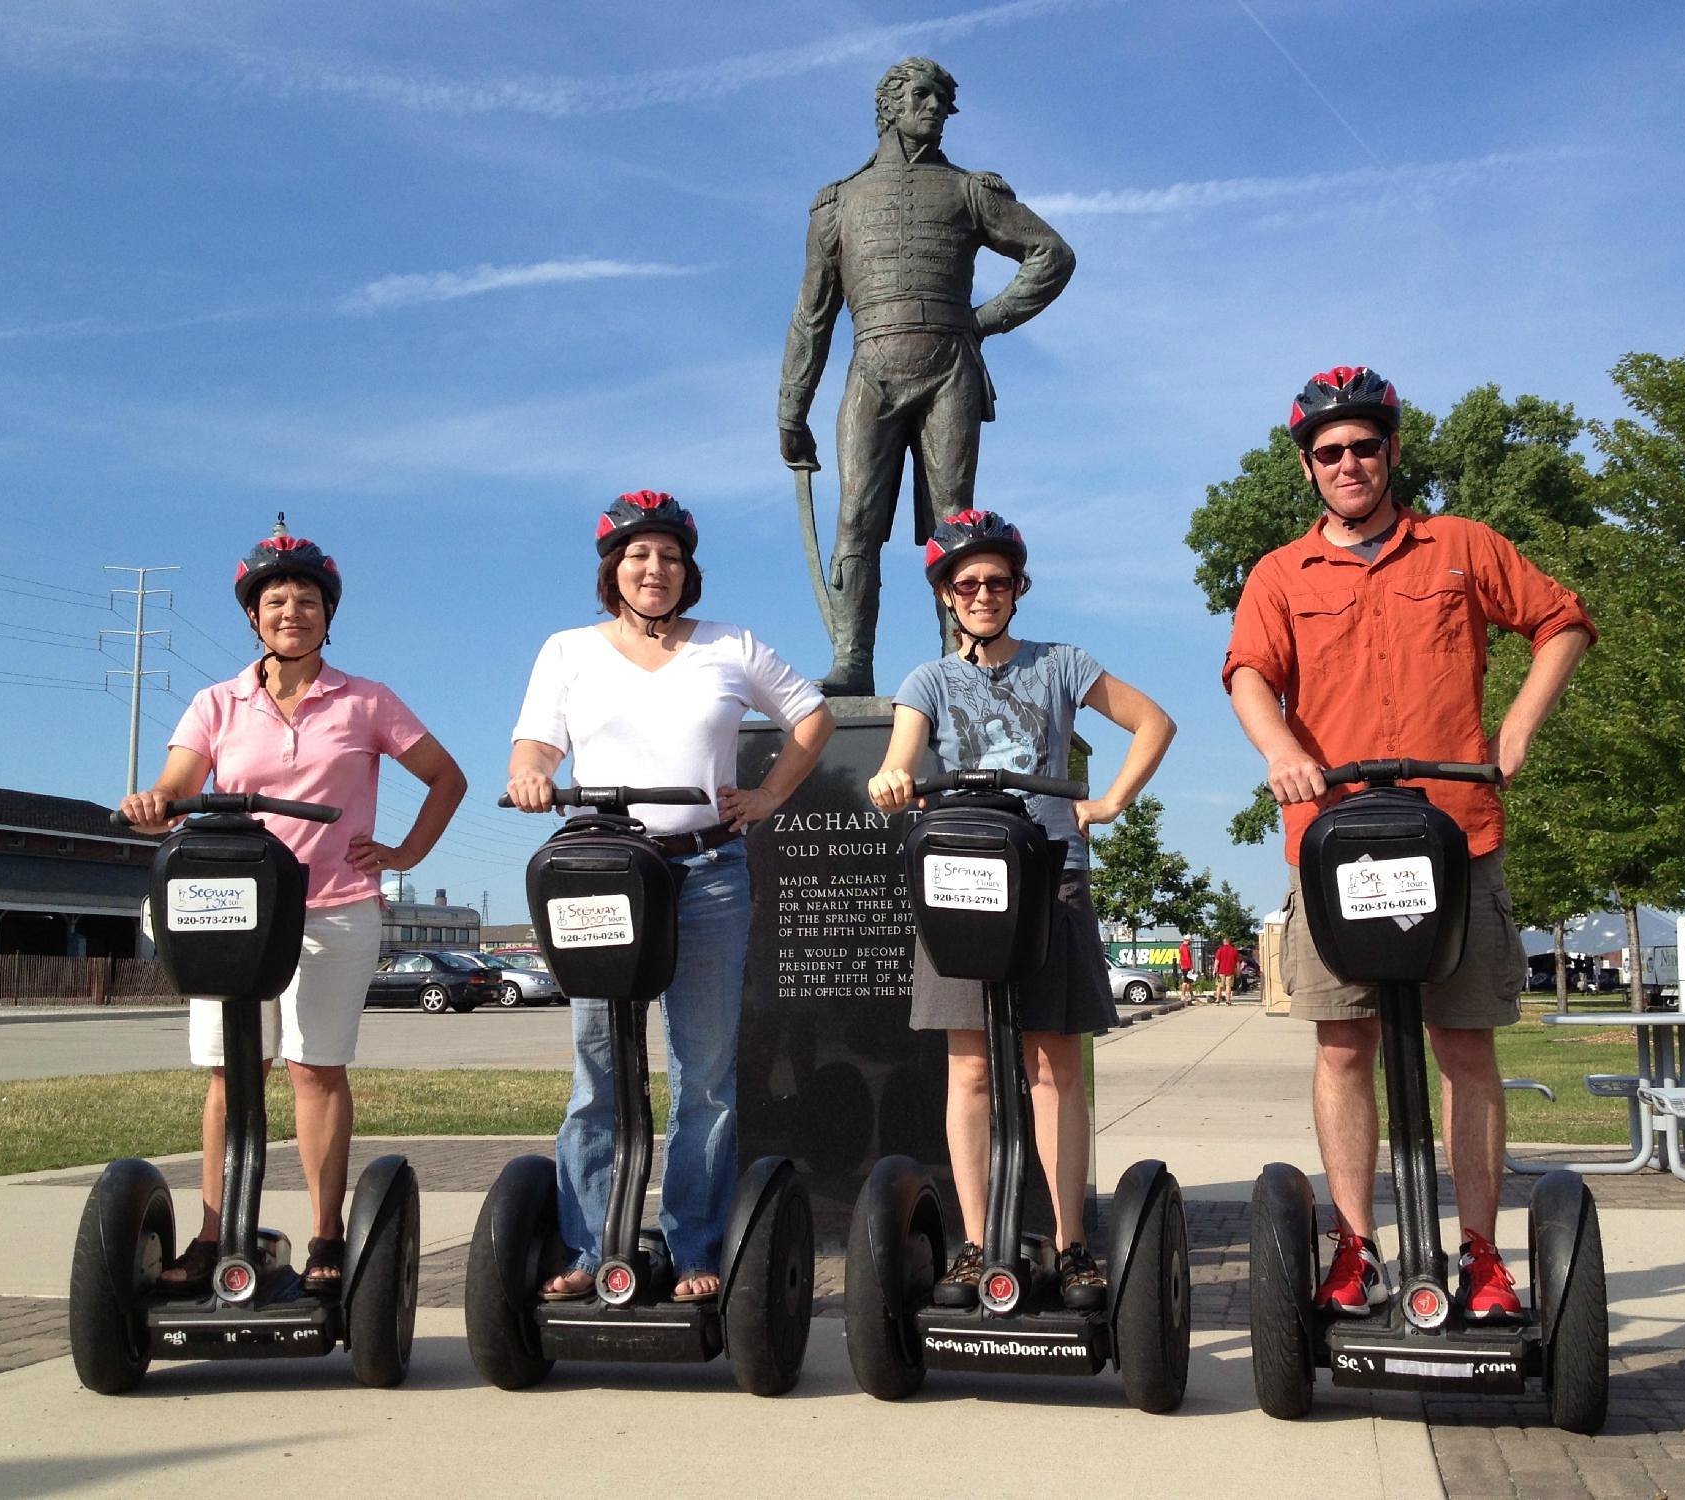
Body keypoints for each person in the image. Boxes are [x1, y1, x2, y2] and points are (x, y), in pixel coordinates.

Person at [1222, 366, 1594, 1324]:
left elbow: (1562, 623)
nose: (1350, 463)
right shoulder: (1279, 574)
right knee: (1342, 1045)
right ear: (1308, 467)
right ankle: (1353, 1247)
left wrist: (1515, 730)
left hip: (1456, 839)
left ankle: (1481, 1255)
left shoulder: (1461, 549)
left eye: (1365, 446)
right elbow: (1250, 674)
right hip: (1335, 846)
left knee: (1464, 1047)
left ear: (1392, 451)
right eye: (1329, 451)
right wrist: (1283, 750)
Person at [122, 518, 467, 1291]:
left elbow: (447, 777)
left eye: (307, 600)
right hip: (235, 908)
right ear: (254, 615)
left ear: (327, 614)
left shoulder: (367, 701)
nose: (292, 613)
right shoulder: (217, 704)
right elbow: (178, 788)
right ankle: (215, 1233)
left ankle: (325, 1237)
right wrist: (156, 803)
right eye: (276, 600)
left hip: (334, 907)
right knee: (231, 1073)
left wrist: (406, 853)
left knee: (316, 1070)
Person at [508, 491, 834, 1302]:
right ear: (613, 568)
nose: (654, 570)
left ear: (688, 571)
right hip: (602, 876)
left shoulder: (730, 645)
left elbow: (811, 715)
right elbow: (537, 741)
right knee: (599, 1073)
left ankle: (695, 1248)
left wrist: (765, 797)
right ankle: (590, 1248)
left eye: (670, 557)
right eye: (638, 555)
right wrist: (532, 773)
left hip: (707, 873)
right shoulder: (568, 650)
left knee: (707, 1074)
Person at [868, 509, 1175, 1306]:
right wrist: (893, 779)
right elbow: (901, 754)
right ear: (945, 594)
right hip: (961, 883)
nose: (982, 593)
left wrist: (1108, 801)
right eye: (965, 583)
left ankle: (1072, 1246)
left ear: (1017, 589)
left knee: (1053, 1065)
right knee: (969, 1067)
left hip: (1048, 875)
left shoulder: (1062, 664)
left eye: (996, 581)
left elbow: (1154, 722)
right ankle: (974, 1245)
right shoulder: (928, 681)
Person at [778, 56, 1076, 696]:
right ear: (887, 106)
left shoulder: (970, 189)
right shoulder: (839, 203)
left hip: (949, 367)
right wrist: (790, 412)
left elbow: (1051, 253)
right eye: (922, 95)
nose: (935, 108)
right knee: (856, 515)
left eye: (943, 100)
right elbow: (812, 318)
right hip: (872, 368)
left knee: (955, 521)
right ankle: (852, 662)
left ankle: (962, 664)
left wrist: (983, 320)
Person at [1212, 936, 1241, 1004]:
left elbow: (1217, 961)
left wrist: (1214, 969)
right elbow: (1237, 962)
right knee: (1228, 986)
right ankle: (1227, 1001)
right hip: (1230, 971)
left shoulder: (1220, 950)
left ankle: (1217, 1000)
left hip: (1221, 971)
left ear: (1224, 942)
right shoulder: (1234, 950)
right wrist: (1238, 971)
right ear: (1229, 942)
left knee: (1219, 986)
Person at [1177, 937, 1196, 1002]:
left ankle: (1192, 995)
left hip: (1185, 966)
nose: (1191, 942)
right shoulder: (1184, 947)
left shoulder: (1184, 946)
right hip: (1186, 967)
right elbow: (1186, 958)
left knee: (1189, 982)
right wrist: (1191, 968)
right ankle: (1182, 996)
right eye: (1191, 940)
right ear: (1188, 940)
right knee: (1185, 981)